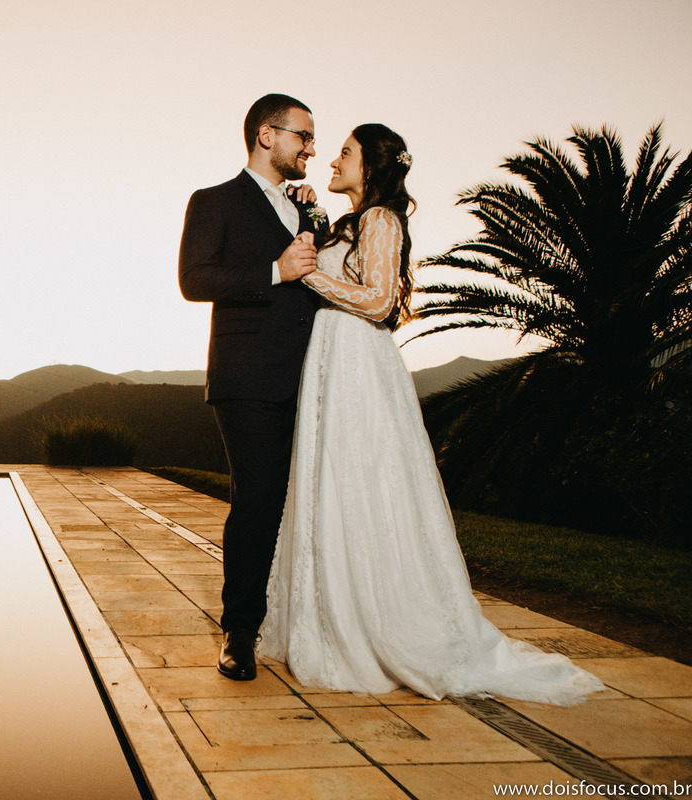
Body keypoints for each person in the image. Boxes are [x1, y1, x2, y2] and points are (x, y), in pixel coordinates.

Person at [257, 123, 604, 704]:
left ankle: (378, 623)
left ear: (372, 166)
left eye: (345, 152)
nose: (332, 159)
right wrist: (312, 216)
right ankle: (331, 612)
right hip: (333, 361)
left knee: (365, 480)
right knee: (333, 482)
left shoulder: (383, 219)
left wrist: (307, 274)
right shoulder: (355, 220)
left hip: (358, 365)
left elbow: (380, 300)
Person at [178, 94, 330, 681]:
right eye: (303, 136)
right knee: (259, 499)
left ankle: (309, 621)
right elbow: (195, 279)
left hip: (314, 374)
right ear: (268, 135)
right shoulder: (213, 201)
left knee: (311, 500)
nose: (312, 148)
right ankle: (240, 631)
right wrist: (275, 271)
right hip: (248, 377)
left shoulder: (305, 208)